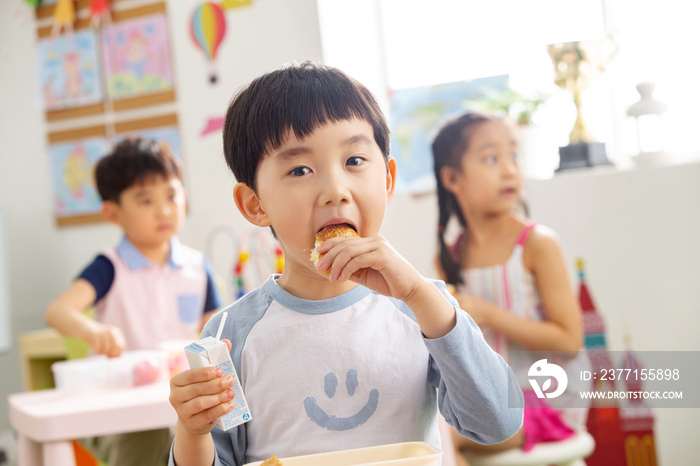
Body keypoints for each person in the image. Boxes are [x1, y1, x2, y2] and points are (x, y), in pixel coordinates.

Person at [167, 62, 524, 466]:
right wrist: (192, 433)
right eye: (299, 169)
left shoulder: (423, 306)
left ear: (387, 180)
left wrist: (420, 295)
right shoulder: (232, 333)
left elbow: (500, 422)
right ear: (255, 203)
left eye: (354, 161)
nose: (335, 190)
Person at [45, 138, 222, 466]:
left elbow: (216, 330)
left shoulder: (197, 267)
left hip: (174, 400)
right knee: (150, 440)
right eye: (145, 201)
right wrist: (93, 330)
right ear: (113, 213)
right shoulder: (109, 266)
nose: (164, 209)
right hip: (117, 408)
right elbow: (58, 311)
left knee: (211, 434)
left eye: (172, 195)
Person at [431, 112, 590, 465]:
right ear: (453, 178)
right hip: (492, 401)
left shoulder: (537, 244)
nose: (509, 170)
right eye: (491, 158)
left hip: (544, 401)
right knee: (433, 426)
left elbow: (568, 339)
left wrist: (489, 315)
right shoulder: (450, 258)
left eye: (513, 156)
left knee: (446, 438)